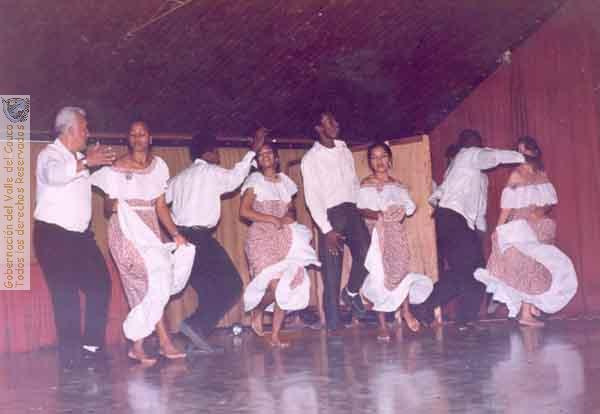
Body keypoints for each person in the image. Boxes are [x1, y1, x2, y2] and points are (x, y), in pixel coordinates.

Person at [92, 121, 194, 364]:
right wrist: (119, 204)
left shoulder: (159, 167)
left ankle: (136, 345)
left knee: (148, 285)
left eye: (142, 134)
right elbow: (107, 207)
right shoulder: (116, 168)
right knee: (152, 280)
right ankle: (165, 342)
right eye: (133, 134)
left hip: (150, 230)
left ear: (150, 138)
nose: (138, 138)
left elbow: (160, 206)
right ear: (128, 139)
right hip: (125, 231)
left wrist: (175, 234)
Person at [166, 128, 266, 352]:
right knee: (233, 285)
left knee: (208, 291)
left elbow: (160, 203)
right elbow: (235, 178)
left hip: (181, 241)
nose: (219, 156)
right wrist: (252, 151)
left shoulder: (179, 178)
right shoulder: (210, 172)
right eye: (217, 151)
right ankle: (195, 325)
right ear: (209, 152)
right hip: (199, 239)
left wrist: (174, 231)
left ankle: (196, 337)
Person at [415, 129, 525, 329]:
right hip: (453, 220)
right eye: (474, 142)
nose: (477, 145)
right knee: (472, 272)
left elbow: (475, 206)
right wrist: (520, 156)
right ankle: (450, 314)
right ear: (467, 145)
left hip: (458, 222)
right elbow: (494, 157)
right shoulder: (467, 155)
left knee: (473, 272)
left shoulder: (472, 173)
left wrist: (479, 233)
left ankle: (450, 314)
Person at [33, 106, 116, 368]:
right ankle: (70, 358)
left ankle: (91, 347)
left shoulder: (81, 158)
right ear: (69, 130)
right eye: (84, 128)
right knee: (65, 295)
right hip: (53, 236)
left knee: (100, 285)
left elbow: (99, 179)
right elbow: (55, 176)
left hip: (81, 238)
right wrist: (87, 162)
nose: (88, 133)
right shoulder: (49, 155)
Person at [474, 136, 578, 326]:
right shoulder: (517, 175)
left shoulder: (541, 174)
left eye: (525, 150)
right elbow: (507, 207)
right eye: (519, 151)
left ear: (534, 151)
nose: (522, 154)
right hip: (521, 227)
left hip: (540, 227)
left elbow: (550, 201)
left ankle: (530, 309)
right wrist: (498, 229)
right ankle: (524, 312)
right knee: (524, 268)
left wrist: (540, 211)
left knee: (536, 269)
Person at [240, 142, 320, 347]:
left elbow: (291, 209)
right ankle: (258, 309)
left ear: (276, 158)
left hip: (283, 236)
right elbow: (244, 211)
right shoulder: (255, 180)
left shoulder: (285, 182)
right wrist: (271, 218)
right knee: (276, 288)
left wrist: (288, 217)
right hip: (261, 238)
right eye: (261, 154)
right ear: (257, 161)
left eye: (269, 153)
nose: (265, 156)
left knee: (286, 284)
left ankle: (275, 335)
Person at [301, 112, 371, 331]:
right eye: (329, 122)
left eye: (335, 120)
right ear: (318, 128)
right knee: (332, 274)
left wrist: (362, 208)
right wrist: (327, 229)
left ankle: (350, 292)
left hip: (352, 211)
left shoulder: (344, 150)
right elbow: (312, 196)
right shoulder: (311, 158)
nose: (336, 124)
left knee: (367, 255)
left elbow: (354, 184)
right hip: (331, 216)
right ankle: (333, 327)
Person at [357, 143, 433, 340]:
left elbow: (410, 208)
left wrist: (398, 210)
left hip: (396, 233)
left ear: (389, 159)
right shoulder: (367, 183)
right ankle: (382, 325)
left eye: (383, 156)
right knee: (380, 275)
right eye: (374, 157)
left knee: (400, 271)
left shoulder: (397, 185)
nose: (379, 161)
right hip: (376, 234)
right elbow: (361, 209)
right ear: (370, 162)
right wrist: (380, 214)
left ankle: (406, 311)